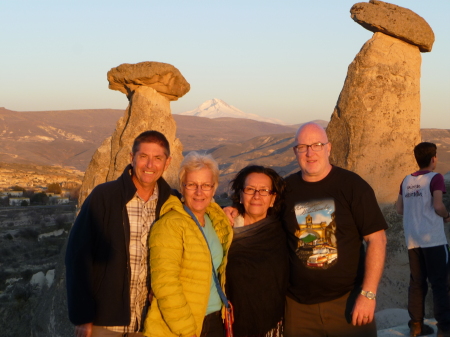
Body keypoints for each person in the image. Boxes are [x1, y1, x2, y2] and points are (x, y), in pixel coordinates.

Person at [225, 122, 387, 337]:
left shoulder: (352, 186)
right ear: (295, 152)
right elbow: (260, 209)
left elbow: (377, 240)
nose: (310, 153)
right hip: (299, 309)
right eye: (303, 147)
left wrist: (368, 295)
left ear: (328, 148)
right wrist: (234, 211)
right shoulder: (286, 189)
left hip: (347, 303)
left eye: (316, 145)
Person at [65, 130, 173, 337]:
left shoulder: (171, 203)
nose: (150, 165)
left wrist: (226, 212)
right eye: (143, 157)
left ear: (167, 163)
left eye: (157, 158)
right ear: (131, 158)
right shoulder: (104, 197)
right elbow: (77, 257)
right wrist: (82, 316)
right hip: (106, 323)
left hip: (152, 325)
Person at [143, 151, 233, 337]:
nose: (199, 192)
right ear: (182, 188)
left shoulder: (214, 220)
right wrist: (187, 330)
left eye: (206, 185)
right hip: (183, 326)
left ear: (214, 188)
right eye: (192, 185)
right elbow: (165, 284)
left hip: (214, 319)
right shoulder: (170, 224)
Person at [226, 165, 289, 337]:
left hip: (272, 325)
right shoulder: (224, 230)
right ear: (240, 195)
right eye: (250, 189)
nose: (256, 196)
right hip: (230, 324)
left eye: (264, 190)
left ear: (273, 198)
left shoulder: (282, 232)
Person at [396, 142, 450, 337]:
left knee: (417, 283)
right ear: (433, 159)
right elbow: (438, 205)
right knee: (440, 284)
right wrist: (446, 215)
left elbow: (399, 209)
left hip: (413, 240)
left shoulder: (406, 180)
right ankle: (444, 328)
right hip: (433, 240)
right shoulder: (435, 178)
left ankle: (416, 326)